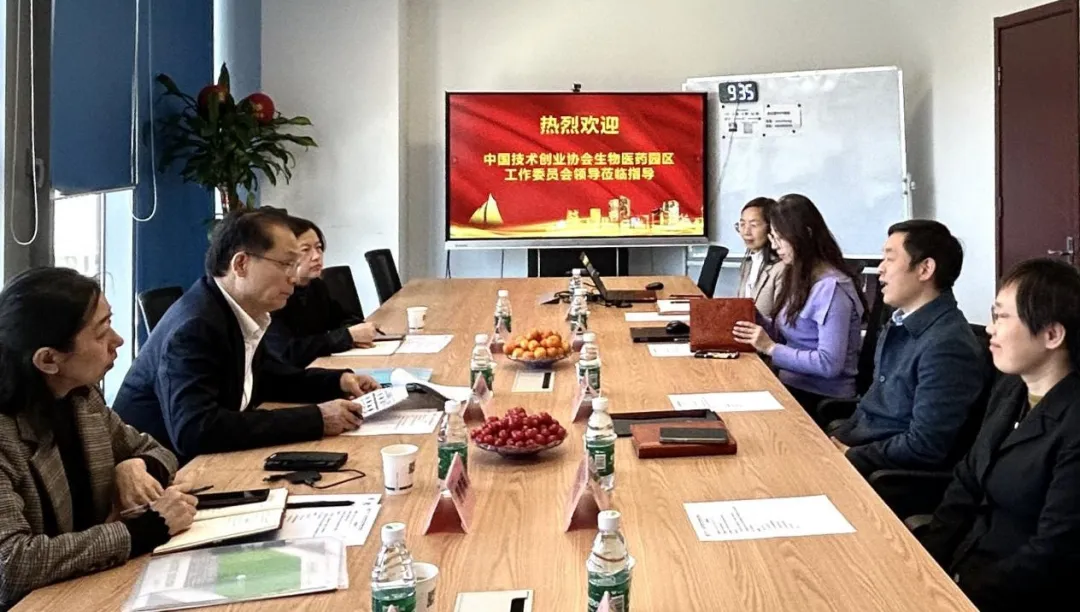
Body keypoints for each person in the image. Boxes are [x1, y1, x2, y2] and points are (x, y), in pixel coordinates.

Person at [114, 210, 380, 464]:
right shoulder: (196, 326)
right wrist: (317, 418)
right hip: (164, 476)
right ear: (241, 264)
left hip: (209, 463)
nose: (293, 276)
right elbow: (195, 429)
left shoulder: (234, 310)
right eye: (286, 264)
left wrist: (338, 382)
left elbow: (267, 379)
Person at [0, 268, 197, 607]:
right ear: (48, 359)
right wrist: (145, 531)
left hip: (87, 588)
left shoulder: (81, 398)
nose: (118, 341)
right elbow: (12, 564)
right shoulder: (6, 434)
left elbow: (157, 451)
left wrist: (134, 466)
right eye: (102, 332)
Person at [917, 259, 1080, 611]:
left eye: (1002, 317)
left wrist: (959, 593)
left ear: (1052, 335)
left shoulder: (1073, 423)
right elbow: (966, 482)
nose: (990, 329)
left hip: (1014, 593)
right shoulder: (1011, 388)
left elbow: (1053, 552)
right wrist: (923, 563)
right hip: (962, 568)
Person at [830, 220, 987, 476]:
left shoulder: (948, 345)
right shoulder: (899, 323)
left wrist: (851, 455)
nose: (880, 269)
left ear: (925, 269)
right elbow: (871, 406)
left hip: (881, 472)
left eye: (890, 259)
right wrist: (831, 441)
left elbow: (924, 445)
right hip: (860, 450)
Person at [732, 194, 866, 409]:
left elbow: (829, 364)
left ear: (805, 235)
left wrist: (770, 348)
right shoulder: (798, 276)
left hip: (819, 397)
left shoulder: (832, 289)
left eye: (779, 238)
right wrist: (754, 316)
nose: (774, 246)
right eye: (772, 237)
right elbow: (786, 334)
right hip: (789, 384)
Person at [264, 216, 378, 367]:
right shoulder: (274, 294)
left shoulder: (316, 285)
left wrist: (354, 332)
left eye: (318, 248)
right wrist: (346, 337)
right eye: (305, 250)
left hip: (318, 368)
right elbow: (287, 352)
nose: (316, 256)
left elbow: (345, 319)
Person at [734, 197, 785, 316]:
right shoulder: (747, 264)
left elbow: (782, 321)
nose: (746, 232)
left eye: (753, 225)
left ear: (771, 228)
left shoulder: (782, 268)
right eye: (742, 224)